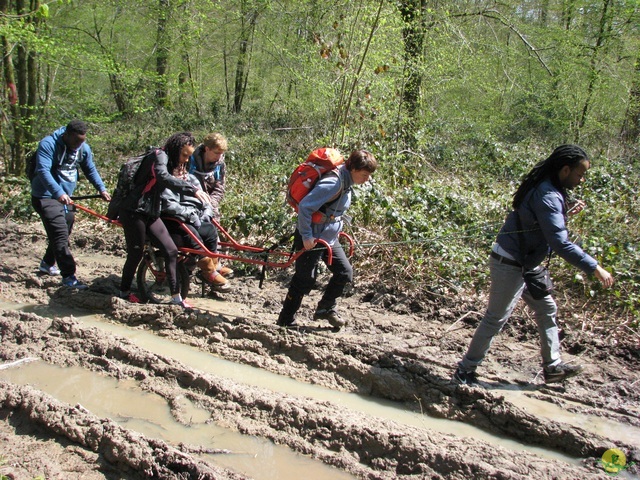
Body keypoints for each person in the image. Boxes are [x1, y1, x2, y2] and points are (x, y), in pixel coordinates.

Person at [453, 145, 615, 385]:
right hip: (510, 263)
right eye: (579, 175)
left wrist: (565, 212)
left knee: (547, 308)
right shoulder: (548, 195)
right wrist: (594, 267)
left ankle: (553, 367)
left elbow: (541, 222)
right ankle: (465, 371)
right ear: (565, 170)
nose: (581, 181)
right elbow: (560, 243)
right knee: (495, 318)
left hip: (527, 262)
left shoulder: (550, 191)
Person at [277, 149, 378, 330]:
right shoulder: (334, 182)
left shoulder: (347, 181)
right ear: (353, 168)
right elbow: (306, 208)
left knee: (344, 273)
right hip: (312, 236)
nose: (367, 179)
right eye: (364, 175)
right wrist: (307, 236)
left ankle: (326, 307)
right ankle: (285, 320)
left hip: (329, 237)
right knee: (304, 279)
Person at [116, 132, 211, 308]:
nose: (185, 160)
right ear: (176, 148)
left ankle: (176, 298)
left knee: (171, 251)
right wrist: (192, 189)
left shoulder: (171, 162)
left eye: (189, 156)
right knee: (135, 253)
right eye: (184, 155)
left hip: (150, 212)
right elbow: (163, 178)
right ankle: (124, 292)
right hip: (133, 211)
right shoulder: (159, 156)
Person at [30, 120, 111, 289]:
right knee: (60, 234)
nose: (77, 145)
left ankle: (47, 263)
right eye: (75, 141)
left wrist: (101, 189)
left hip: (68, 198)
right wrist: (58, 193)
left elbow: (90, 169)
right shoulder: (48, 144)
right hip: (46, 196)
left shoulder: (83, 148)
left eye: (81, 142)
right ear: (66, 135)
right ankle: (69, 276)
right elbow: (42, 171)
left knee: (64, 231)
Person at [161, 149, 231, 292]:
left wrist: (206, 213)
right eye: (178, 170)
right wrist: (190, 214)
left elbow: (206, 201)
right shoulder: (168, 185)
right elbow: (170, 206)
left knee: (210, 231)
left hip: (195, 219)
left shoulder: (192, 180)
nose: (181, 172)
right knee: (194, 236)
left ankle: (214, 266)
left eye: (183, 169)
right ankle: (208, 271)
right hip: (177, 221)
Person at [188, 132, 233, 277]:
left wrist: (211, 203)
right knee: (195, 237)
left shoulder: (220, 165)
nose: (219, 156)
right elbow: (184, 183)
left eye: (221, 153)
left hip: (210, 205)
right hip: (191, 203)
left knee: (214, 233)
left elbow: (220, 187)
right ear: (207, 149)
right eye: (216, 153)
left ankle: (215, 267)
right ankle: (192, 268)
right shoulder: (190, 161)